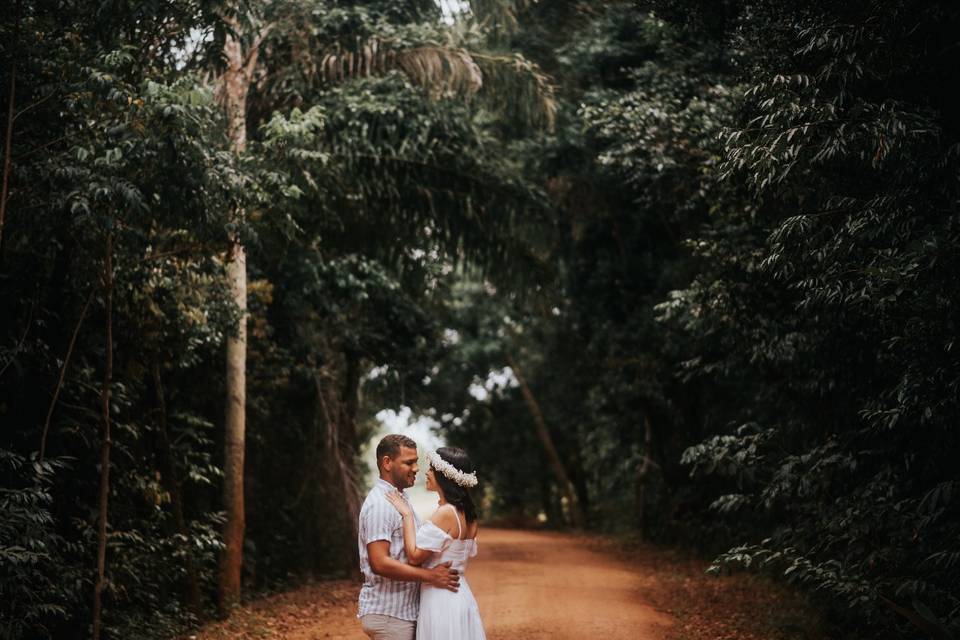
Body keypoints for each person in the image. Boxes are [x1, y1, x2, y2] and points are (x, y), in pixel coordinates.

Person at [357, 434, 461, 640]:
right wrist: (431, 576)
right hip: (390, 614)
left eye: (416, 462)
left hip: (401, 612)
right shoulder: (381, 505)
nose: (416, 468)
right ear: (387, 463)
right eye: (409, 462)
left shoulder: (400, 498)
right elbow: (379, 563)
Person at [384, 446, 486, 640]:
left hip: (441, 599)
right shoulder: (469, 516)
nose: (426, 472)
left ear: (444, 476)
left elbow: (414, 557)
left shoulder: (446, 513)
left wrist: (406, 515)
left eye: (432, 469)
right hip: (460, 595)